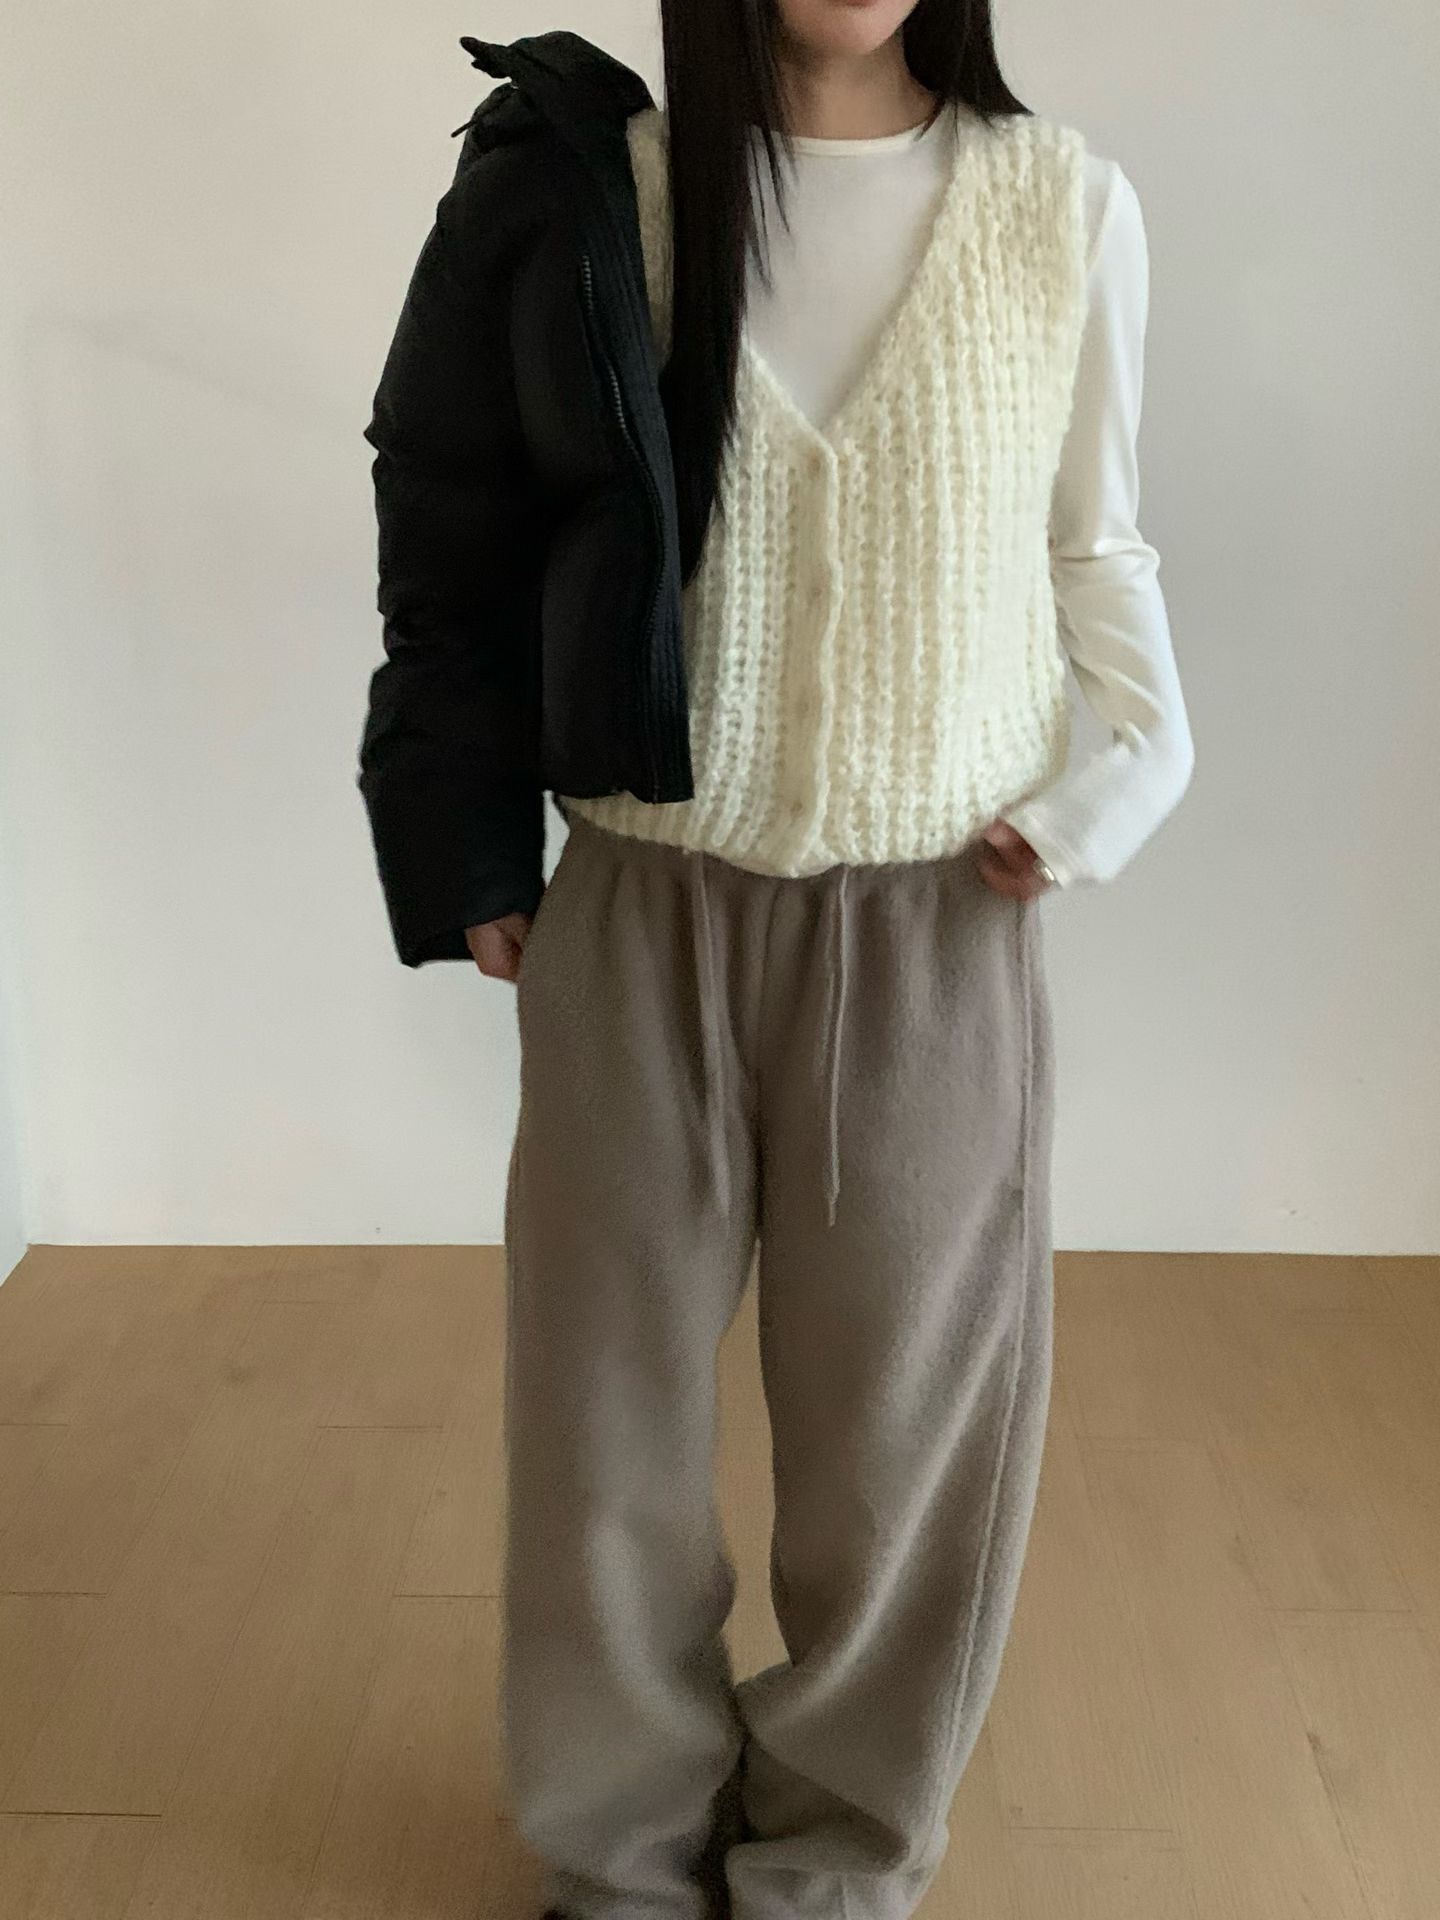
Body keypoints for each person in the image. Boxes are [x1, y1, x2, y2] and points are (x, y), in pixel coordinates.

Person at [357, 6, 1195, 1918]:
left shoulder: (1059, 202)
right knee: (604, 1425)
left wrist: (1136, 771)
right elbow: (452, 524)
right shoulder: (597, 196)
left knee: (905, 1439)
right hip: (636, 906)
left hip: (937, 921)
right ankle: (621, 1856)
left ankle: (839, 1853)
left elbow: (1098, 542)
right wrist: (464, 839)